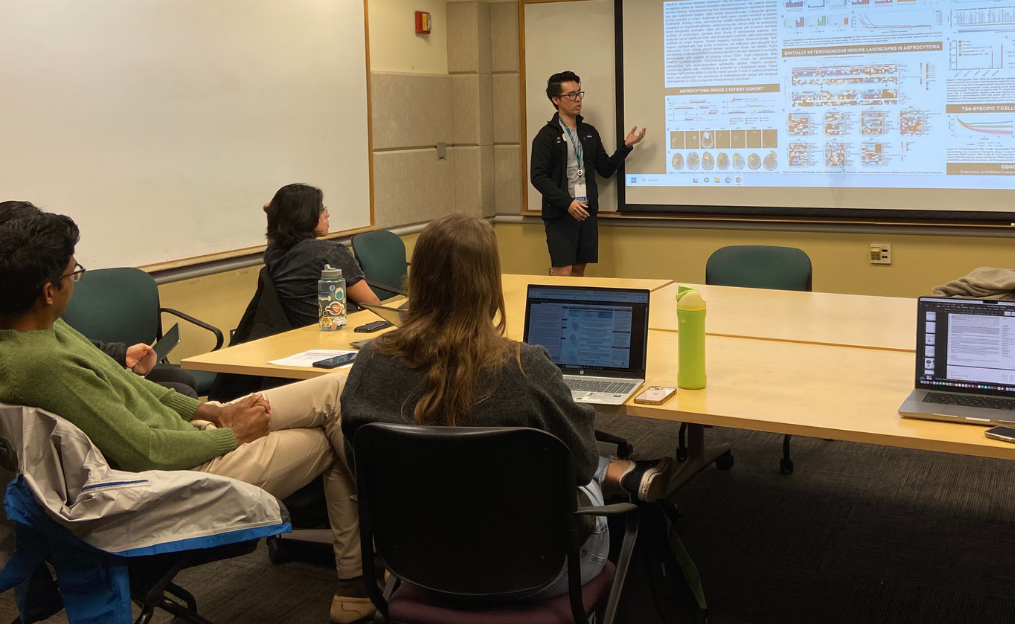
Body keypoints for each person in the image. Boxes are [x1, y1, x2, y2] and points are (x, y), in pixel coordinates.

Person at [0, 210, 375, 624]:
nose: (77, 281)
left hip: (189, 437)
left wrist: (208, 408)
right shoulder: (44, 365)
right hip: (178, 474)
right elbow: (147, 450)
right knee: (329, 435)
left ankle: (362, 581)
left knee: (338, 389)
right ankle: (377, 562)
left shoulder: (36, 329)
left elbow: (132, 386)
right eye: (75, 274)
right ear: (48, 291)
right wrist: (231, 435)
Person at [341, 213, 675, 599]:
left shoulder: (369, 362)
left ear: (415, 279)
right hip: (537, 570)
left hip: (416, 562)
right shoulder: (524, 366)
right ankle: (620, 471)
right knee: (583, 471)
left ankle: (616, 470)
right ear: (489, 285)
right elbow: (580, 464)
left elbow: (359, 465)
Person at [0, 201, 197, 397]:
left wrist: (121, 354)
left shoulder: (40, 309)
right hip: (78, 376)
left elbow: (76, 343)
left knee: (180, 379)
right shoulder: (27, 308)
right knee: (180, 391)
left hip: (87, 367)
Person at [529, 71, 646, 277]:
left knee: (579, 269)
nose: (578, 99)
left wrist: (625, 147)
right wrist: (567, 203)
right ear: (555, 100)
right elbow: (538, 177)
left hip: (586, 210)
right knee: (563, 271)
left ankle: (574, 309)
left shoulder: (588, 132)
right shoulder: (546, 136)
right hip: (560, 212)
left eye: (579, 93)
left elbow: (605, 168)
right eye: (571, 95)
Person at [263, 184, 380, 328]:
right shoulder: (330, 253)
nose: (327, 214)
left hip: (303, 335)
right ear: (304, 215)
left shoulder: (273, 255)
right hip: (344, 331)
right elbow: (373, 304)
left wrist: (273, 217)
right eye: (321, 209)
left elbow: (273, 240)